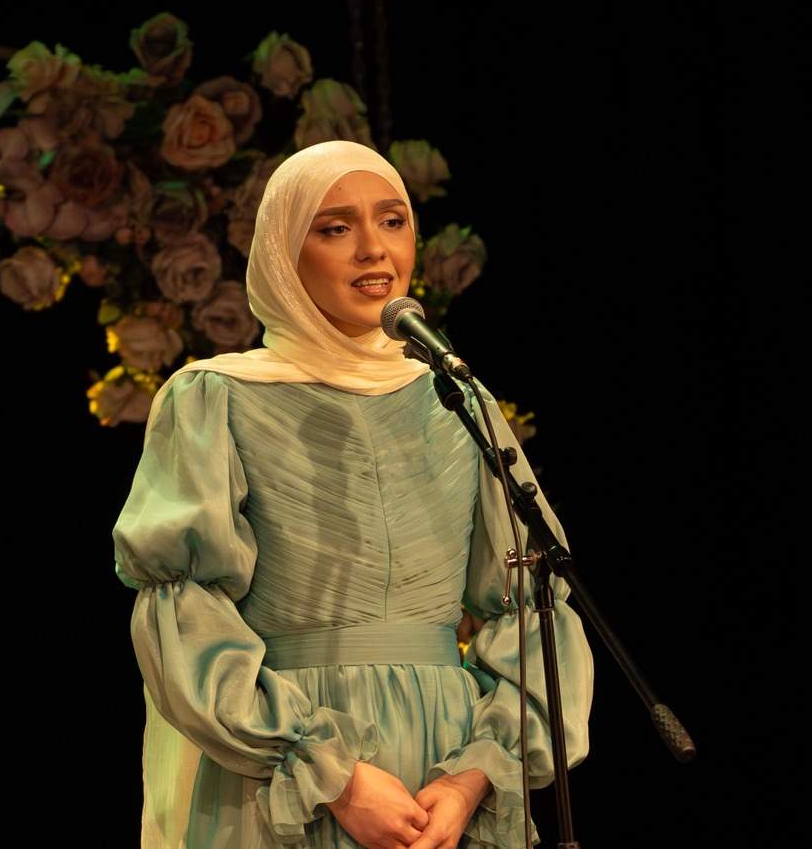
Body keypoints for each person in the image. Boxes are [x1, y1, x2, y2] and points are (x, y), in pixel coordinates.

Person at [112, 140, 592, 849]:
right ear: (284, 252)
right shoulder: (217, 397)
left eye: (393, 221)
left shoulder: (456, 399)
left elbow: (529, 608)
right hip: (289, 777)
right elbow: (184, 615)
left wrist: (473, 778)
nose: (374, 249)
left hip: (447, 774)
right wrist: (333, 776)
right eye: (335, 228)